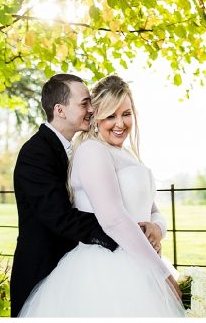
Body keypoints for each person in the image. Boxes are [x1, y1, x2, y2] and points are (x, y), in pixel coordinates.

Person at [19, 75, 185, 317]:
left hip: (141, 258)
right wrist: (162, 272)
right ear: (96, 117)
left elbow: (152, 209)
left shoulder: (127, 154)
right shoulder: (90, 151)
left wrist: (157, 228)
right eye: (109, 115)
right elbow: (112, 218)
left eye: (126, 113)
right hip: (106, 265)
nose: (120, 123)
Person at [9, 74, 120, 316]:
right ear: (60, 110)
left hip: (72, 270)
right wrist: (118, 229)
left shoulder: (74, 147)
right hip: (42, 270)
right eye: (84, 103)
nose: (92, 109)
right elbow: (59, 216)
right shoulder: (36, 153)